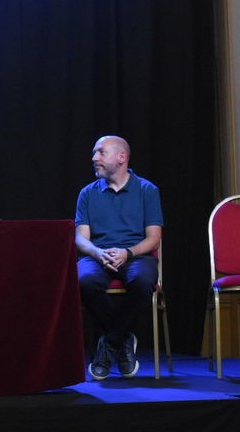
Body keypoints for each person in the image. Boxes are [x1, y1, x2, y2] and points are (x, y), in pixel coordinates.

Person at [75, 135, 163, 380]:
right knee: (84, 280)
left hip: (135, 255)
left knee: (143, 281)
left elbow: (153, 238)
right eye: (95, 153)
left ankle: (109, 343)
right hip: (98, 255)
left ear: (121, 157)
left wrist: (128, 252)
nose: (94, 158)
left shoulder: (147, 190)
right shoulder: (87, 193)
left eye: (101, 152)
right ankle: (123, 339)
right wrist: (98, 252)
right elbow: (81, 239)